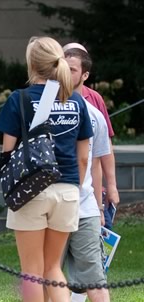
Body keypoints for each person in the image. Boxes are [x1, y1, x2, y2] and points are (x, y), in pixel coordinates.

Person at [0, 36, 93, 302]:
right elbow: (83, 156)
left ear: (31, 64)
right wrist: (75, 190)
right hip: (67, 190)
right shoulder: (76, 101)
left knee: (31, 272)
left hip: (31, 190)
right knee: (53, 266)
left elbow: (7, 154)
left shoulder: (20, 100)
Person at [42, 46, 138, 302]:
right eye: (62, 66)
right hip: (50, 200)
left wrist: (99, 202)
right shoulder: (42, 103)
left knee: (91, 263)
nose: (65, 73)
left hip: (83, 203)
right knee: (50, 263)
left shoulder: (93, 113)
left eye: (72, 69)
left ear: (84, 75)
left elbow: (95, 161)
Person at [62, 42, 120, 232]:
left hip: (89, 195)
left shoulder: (94, 101)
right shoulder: (46, 100)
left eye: (72, 68)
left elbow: (103, 148)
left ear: (84, 73)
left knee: (98, 255)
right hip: (59, 194)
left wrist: (111, 186)